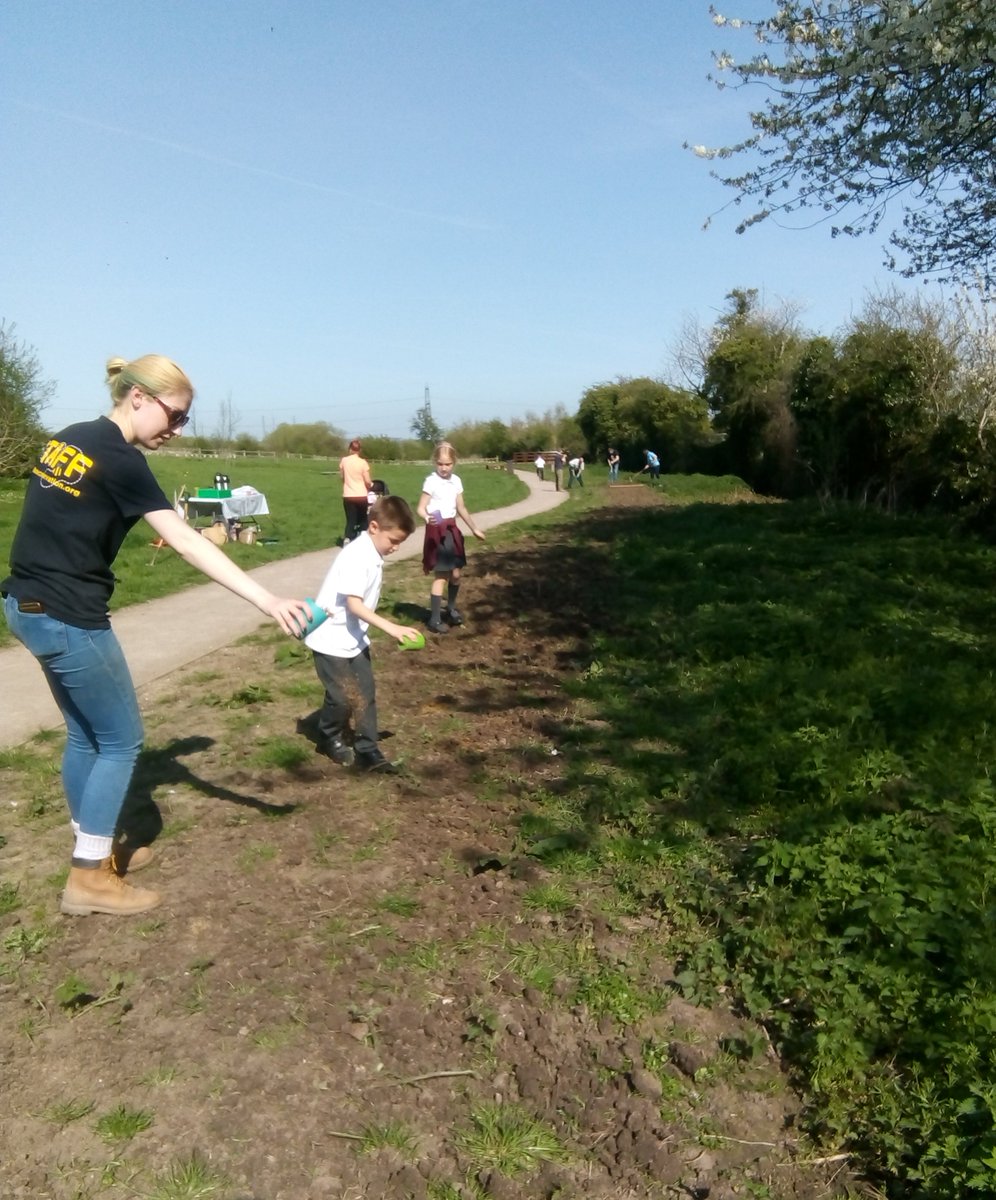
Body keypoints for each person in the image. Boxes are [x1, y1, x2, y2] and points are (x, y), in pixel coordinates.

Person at [1, 354, 310, 918]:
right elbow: (189, 543)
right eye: (175, 415)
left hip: (24, 603)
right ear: (138, 397)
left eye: (184, 421)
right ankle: (89, 878)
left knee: (84, 735)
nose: (176, 429)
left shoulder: (71, 437)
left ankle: (94, 850)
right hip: (70, 614)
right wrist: (267, 599)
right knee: (121, 742)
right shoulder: (122, 459)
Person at [306, 495, 420, 774]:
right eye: (393, 541)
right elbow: (355, 605)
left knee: (365, 693)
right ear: (373, 527)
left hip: (353, 638)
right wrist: (393, 628)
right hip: (329, 638)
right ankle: (329, 735)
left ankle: (368, 749)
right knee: (343, 697)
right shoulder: (357, 557)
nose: (396, 548)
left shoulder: (373, 554)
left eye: (400, 543)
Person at [417, 441, 486, 634]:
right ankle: (434, 619)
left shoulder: (456, 481)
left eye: (447, 464)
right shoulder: (431, 481)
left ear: (454, 463)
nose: (444, 468)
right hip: (437, 530)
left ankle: (451, 608)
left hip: (452, 530)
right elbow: (420, 507)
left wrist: (474, 528)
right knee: (442, 575)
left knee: (456, 574)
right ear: (435, 463)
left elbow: (461, 507)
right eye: (440, 463)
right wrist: (426, 517)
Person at [339, 438, 373, 546]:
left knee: (350, 520)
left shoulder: (344, 461)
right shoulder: (363, 463)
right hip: (361, 495)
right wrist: (370, 485)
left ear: (350, 449)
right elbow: (367, 481)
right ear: (359, 450)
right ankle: (361, 539)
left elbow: (342, 477)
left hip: (348, 495)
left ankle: (347, 539)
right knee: (363, 518)